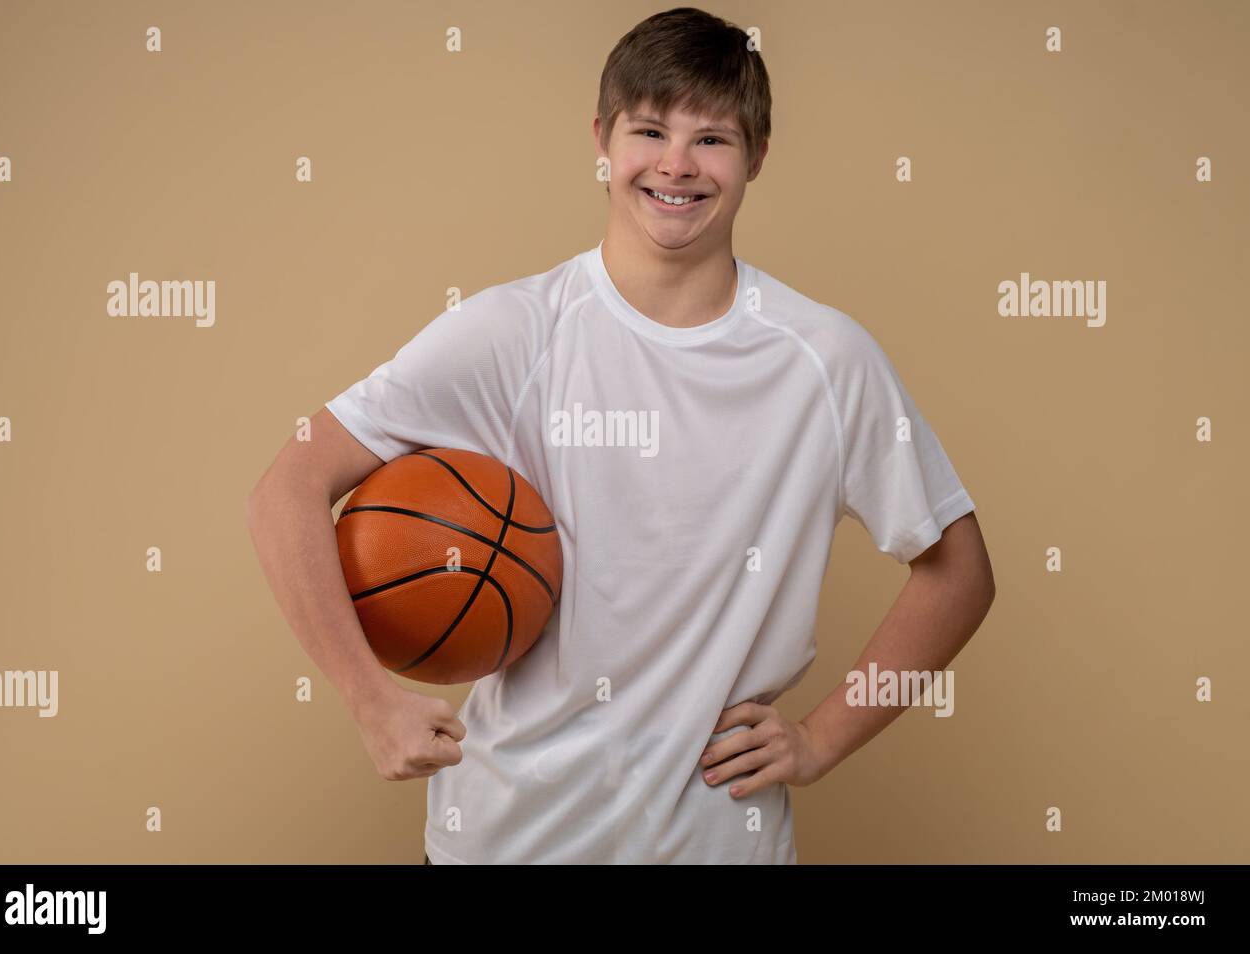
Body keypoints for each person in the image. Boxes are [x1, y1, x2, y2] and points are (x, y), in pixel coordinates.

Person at [245, 7, 995, 865]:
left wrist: (819, 739)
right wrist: (367, 697)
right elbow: (286, 492)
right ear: (602, 140)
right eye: (649, 130)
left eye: (712, 138)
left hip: (720, 847)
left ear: (757, 154)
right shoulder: (510, 334)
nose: (676, 165)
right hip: (502, 845)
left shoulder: (826, 360)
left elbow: (958, 574)